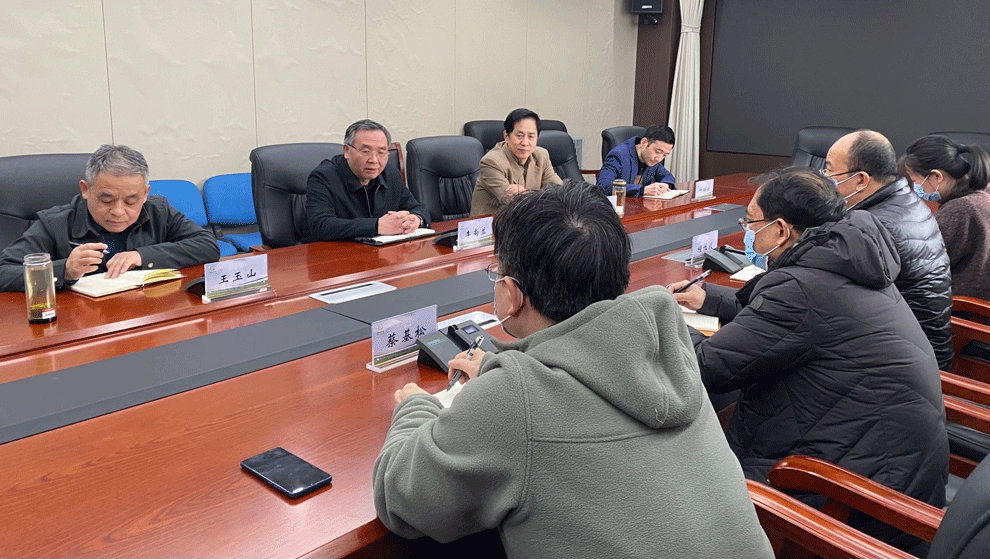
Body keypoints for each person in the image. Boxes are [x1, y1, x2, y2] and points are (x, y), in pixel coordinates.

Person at [373, 181, 773, 559]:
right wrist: (502, 372)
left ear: (512, 294)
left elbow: (402, 500)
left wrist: (415, 407)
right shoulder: (665, 346)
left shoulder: (512, 399)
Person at [671, 167, 948, 551]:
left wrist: (668, 320)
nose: (746, 232)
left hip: (851, 499)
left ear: (780, 230)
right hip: (891, 468)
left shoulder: (801, 288)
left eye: (750, 222)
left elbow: (705, 366)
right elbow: (790, 318)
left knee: (674, 479)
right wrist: (711, 300)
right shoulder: (846, 257)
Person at [0, 144, 220, 292]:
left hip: (144, 313)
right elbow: (4, 272)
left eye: (131, 201)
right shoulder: (55, 223)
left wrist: (142, 256)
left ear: (145, 194)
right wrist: (64, 270)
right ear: (85, 189)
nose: (118, 211)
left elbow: (207, 245)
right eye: (106, 200)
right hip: (80, 324)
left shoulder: (158, 210)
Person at [824, 130, 953, 370]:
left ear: (861, 180)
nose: (824, 178)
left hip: (904, 363)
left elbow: (830, 296)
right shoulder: (906, 201)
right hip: (926, 347)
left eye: (829, 171)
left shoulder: (873, 227)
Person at [306, 119, 429, 241]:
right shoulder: (323, 177)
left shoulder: (391, 174)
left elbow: (419, 208)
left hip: (380, 251)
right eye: (366, 151)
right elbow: (320, 225)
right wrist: (377, 226)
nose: (374, 160)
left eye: (381, 152)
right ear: (347, 151)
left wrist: (416, 219)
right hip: (337, 251)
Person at [900, 135, 990, 301]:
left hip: (960, 307)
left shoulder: (960, 210)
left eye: (914, 180)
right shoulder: (982, 195)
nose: (915, 187)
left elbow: (918, 265)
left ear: (936, 176)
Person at [469, 108, 562, 216]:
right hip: (493, 223)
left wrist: (525, 193)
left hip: (525, 220)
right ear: (506, 136)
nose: (525, 143)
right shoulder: (491, 162)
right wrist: (542, 195)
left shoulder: (541, 155)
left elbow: (559, 191)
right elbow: (516, 203)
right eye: (519, 136)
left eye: (531, 136)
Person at [597, 124, 676, 197]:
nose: (659, 159)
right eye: (658, 152)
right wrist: (642, 190)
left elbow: (667, 176)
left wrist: (665, 184)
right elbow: (603, 186)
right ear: (644, 142)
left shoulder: (653, 159)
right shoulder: (618, 155)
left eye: (665, 155)